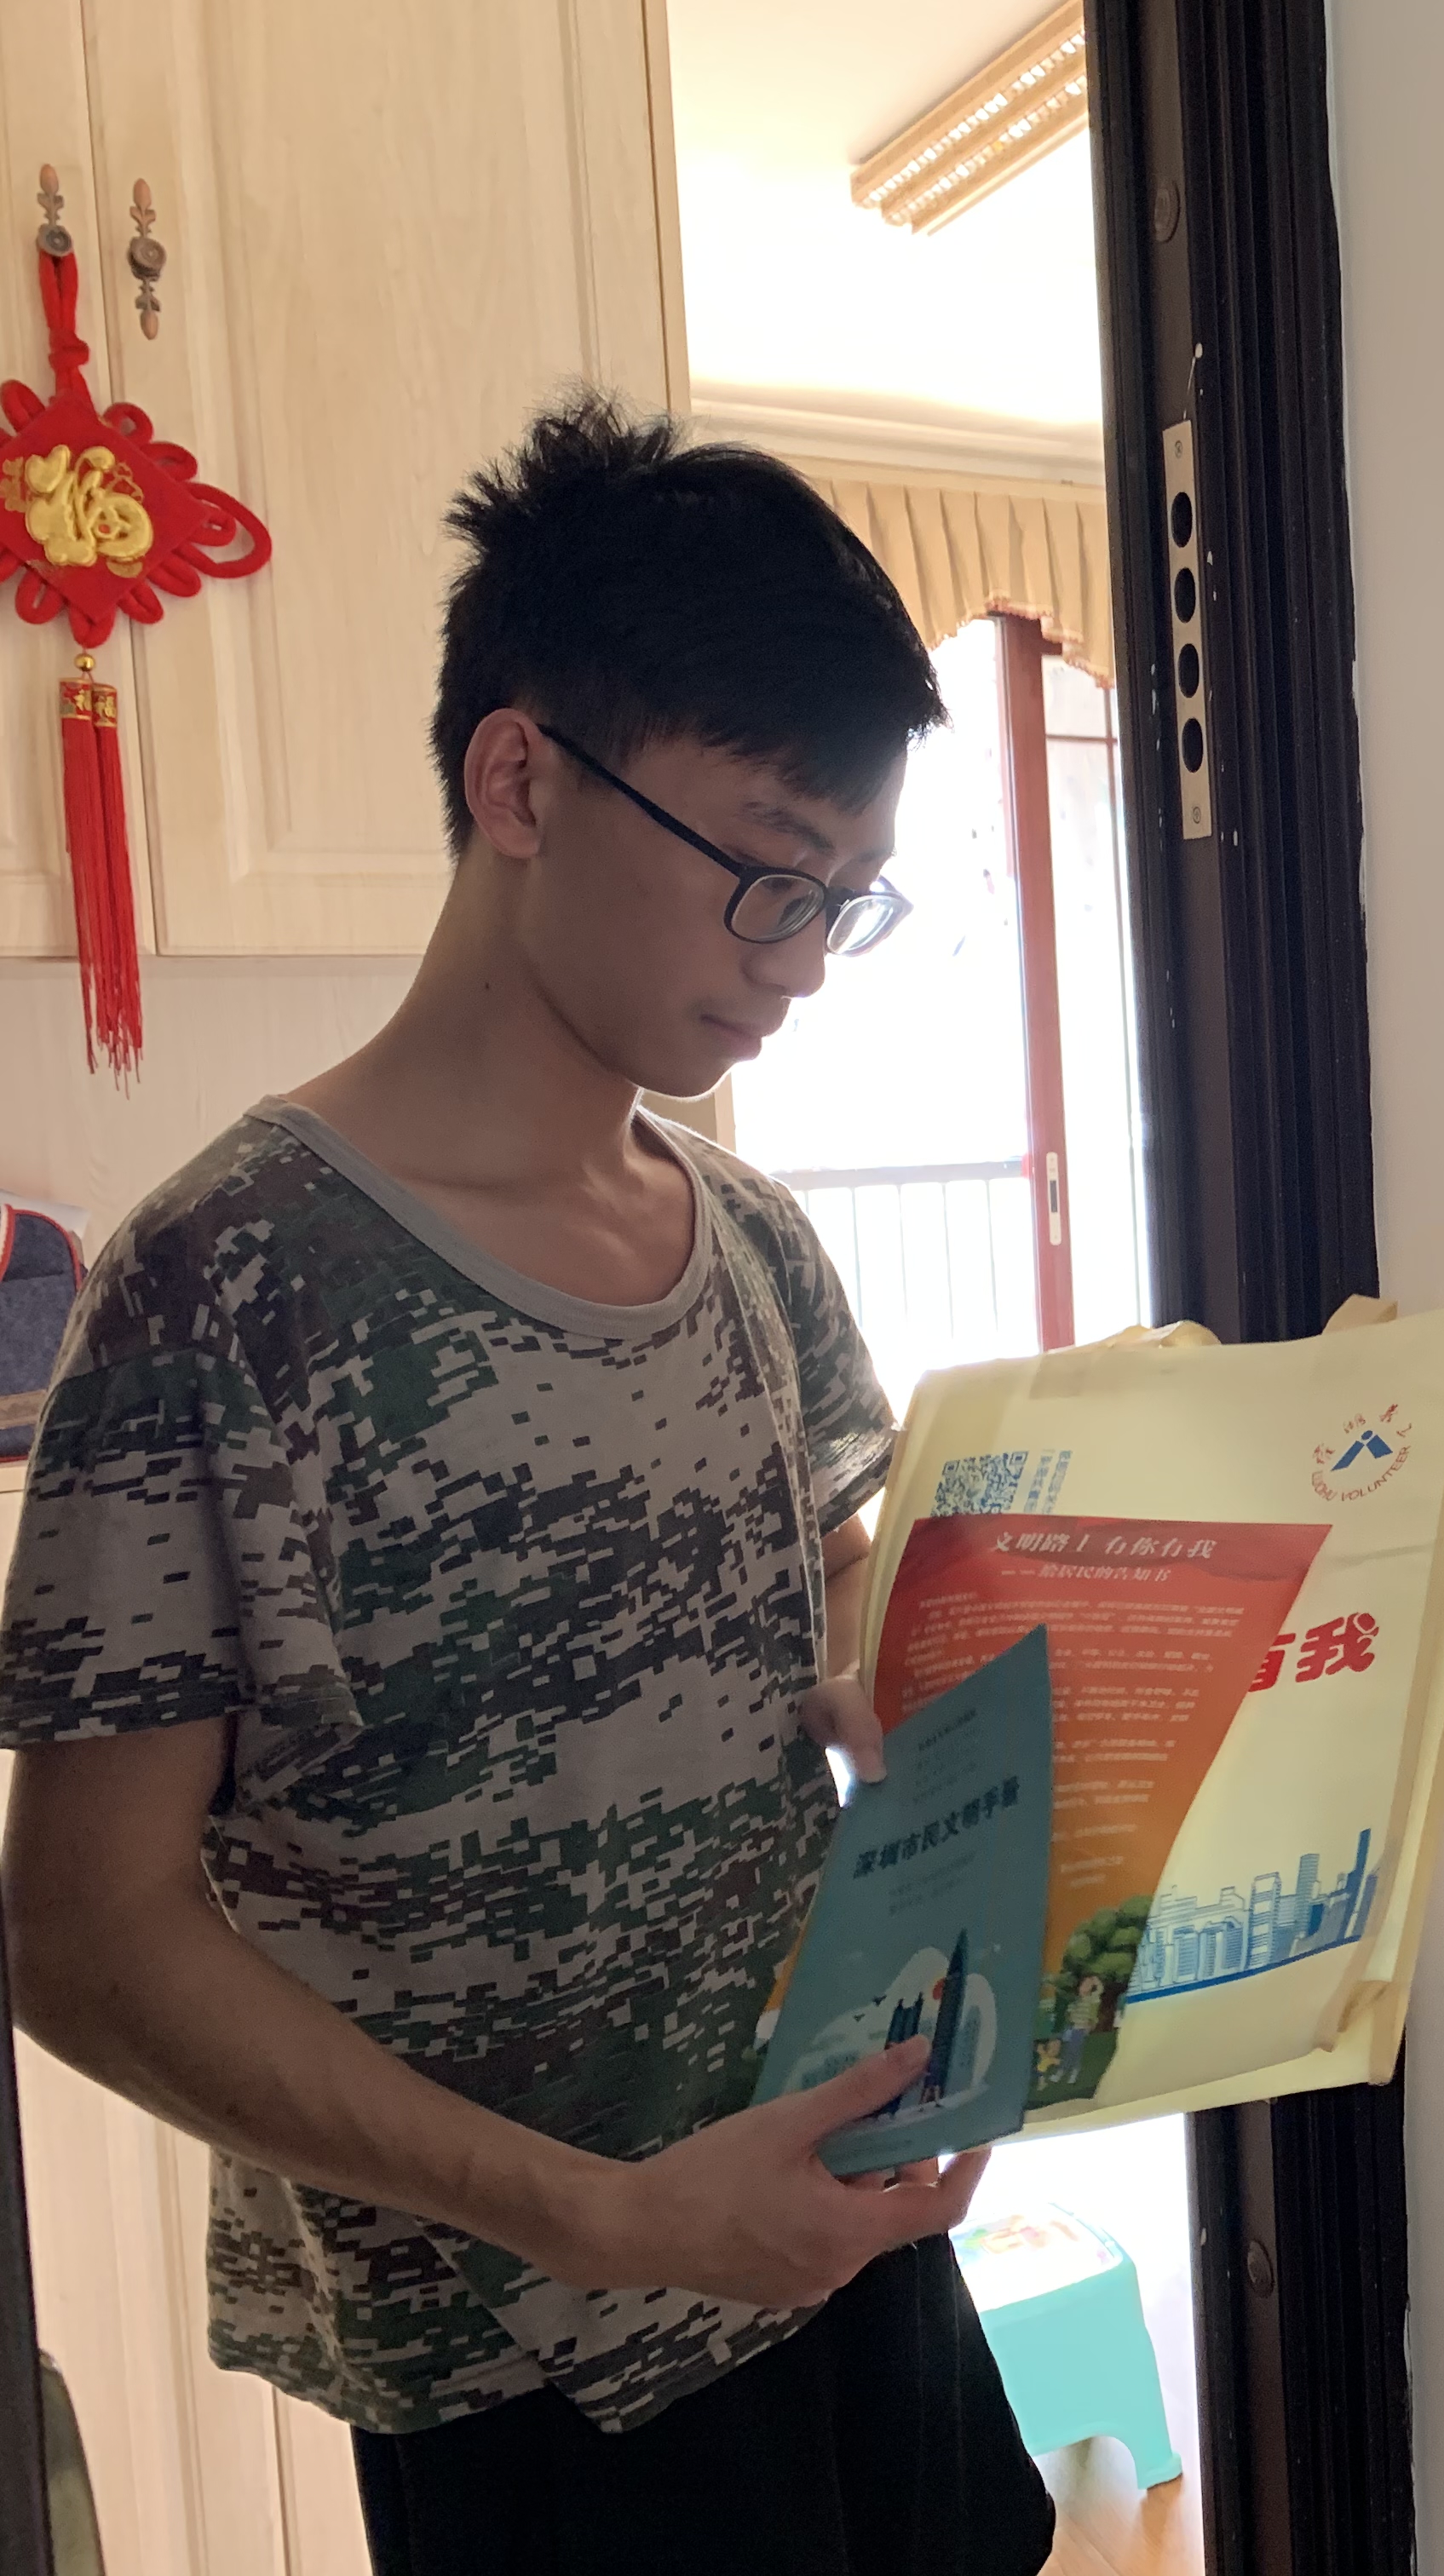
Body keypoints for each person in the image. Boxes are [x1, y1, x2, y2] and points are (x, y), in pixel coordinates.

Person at [0, 395, 1055, 2576]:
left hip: (842, 2239)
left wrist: (953, 1673)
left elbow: (835, 1622)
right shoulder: (225, 1290)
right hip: (534, 2368)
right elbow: (83, 1935)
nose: (796, 960)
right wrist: (606, 2215)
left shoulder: (749, 1238)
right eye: (766, 873)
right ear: (520, 783)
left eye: (843, 902)